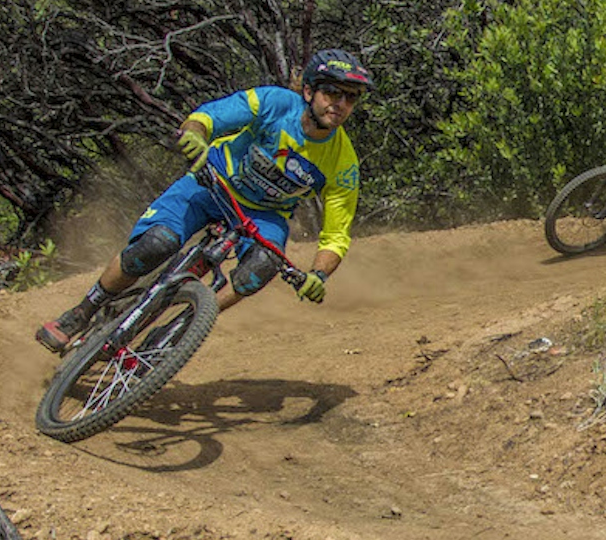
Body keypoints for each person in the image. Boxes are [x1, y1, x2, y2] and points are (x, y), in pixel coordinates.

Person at [36, 48, 371, 353]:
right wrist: (195, 137)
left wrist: (319, 275)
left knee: (261, 268)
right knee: (156, 244)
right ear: (309, 91)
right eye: (332, 92)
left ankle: (181, 328)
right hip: (212, 184)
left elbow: (337, 235)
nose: (340, 104)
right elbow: (209, 117)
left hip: (264, 215)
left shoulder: (343, 162)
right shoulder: (274, 103)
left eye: (350, 98)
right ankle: (82, 312)